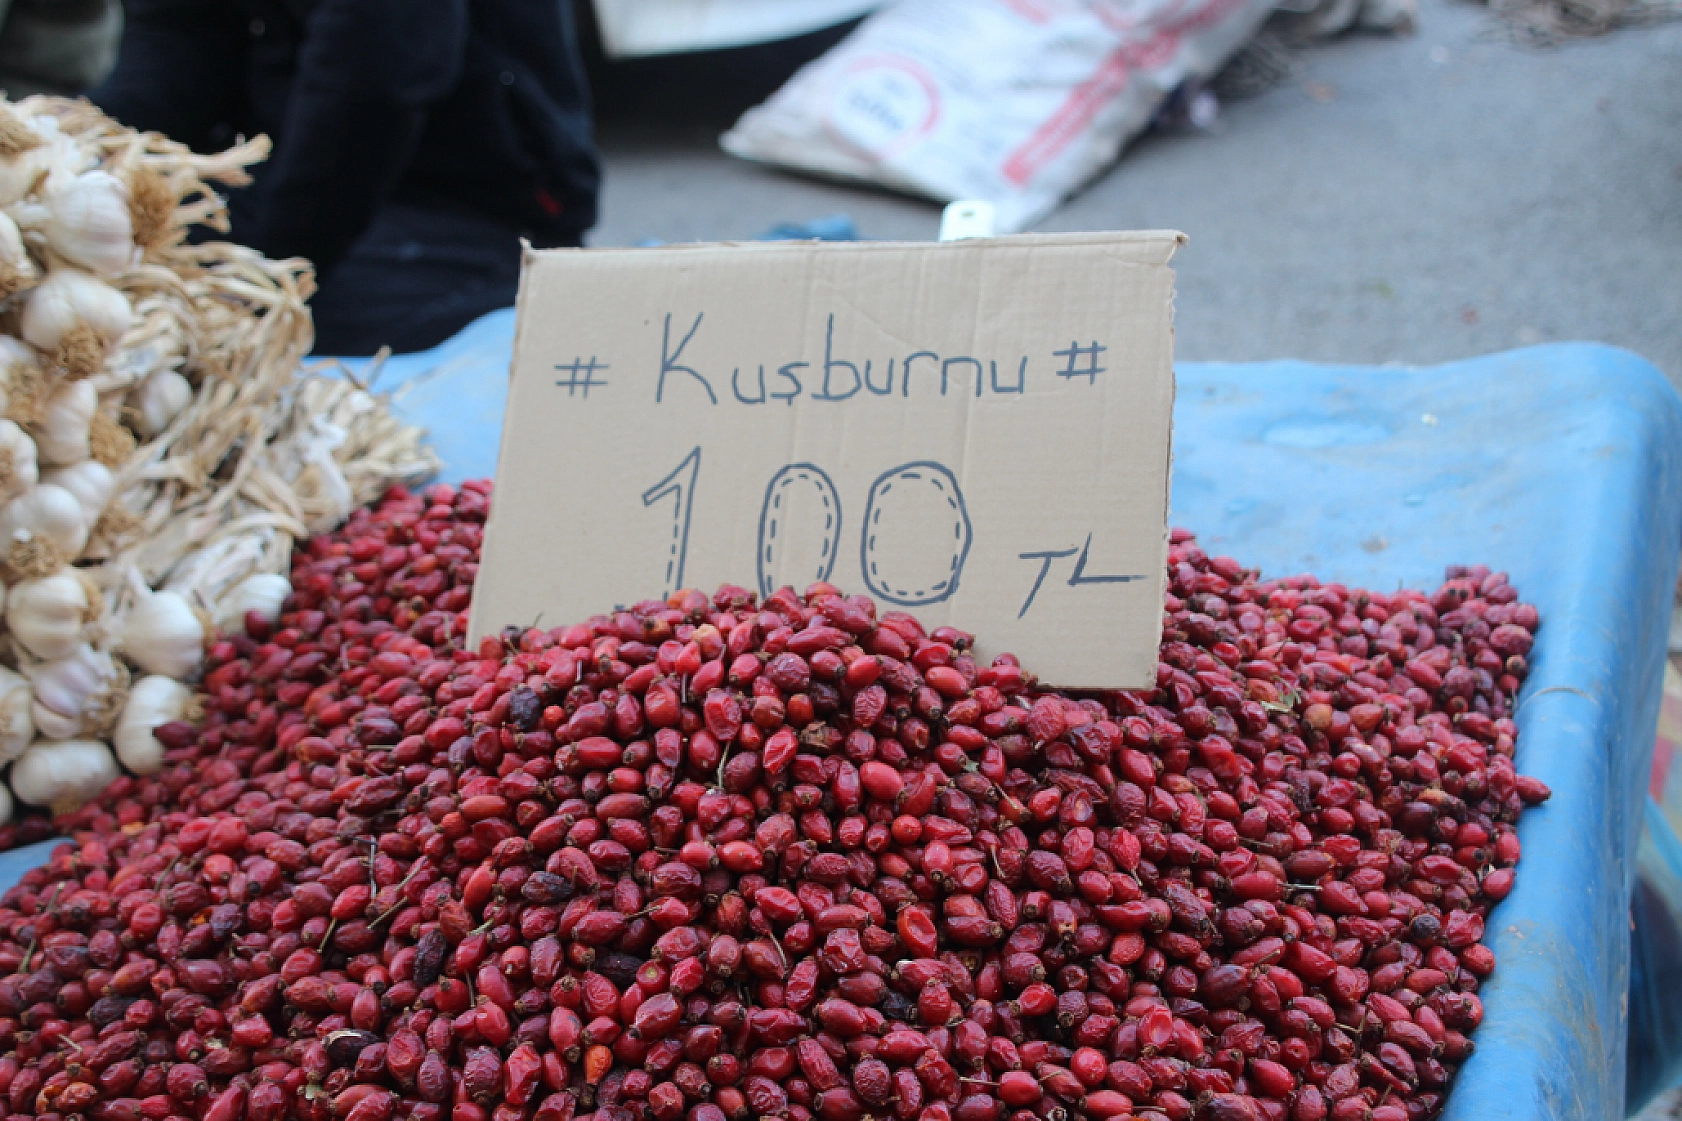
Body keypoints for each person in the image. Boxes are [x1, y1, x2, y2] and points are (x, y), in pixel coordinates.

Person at [92, 0, 600, 355]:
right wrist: (71, 156)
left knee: (203, 327)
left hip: (471, 199)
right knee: (117, 280)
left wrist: (269, 279)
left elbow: (378, 71)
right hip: (294, 165)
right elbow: (178, 37)